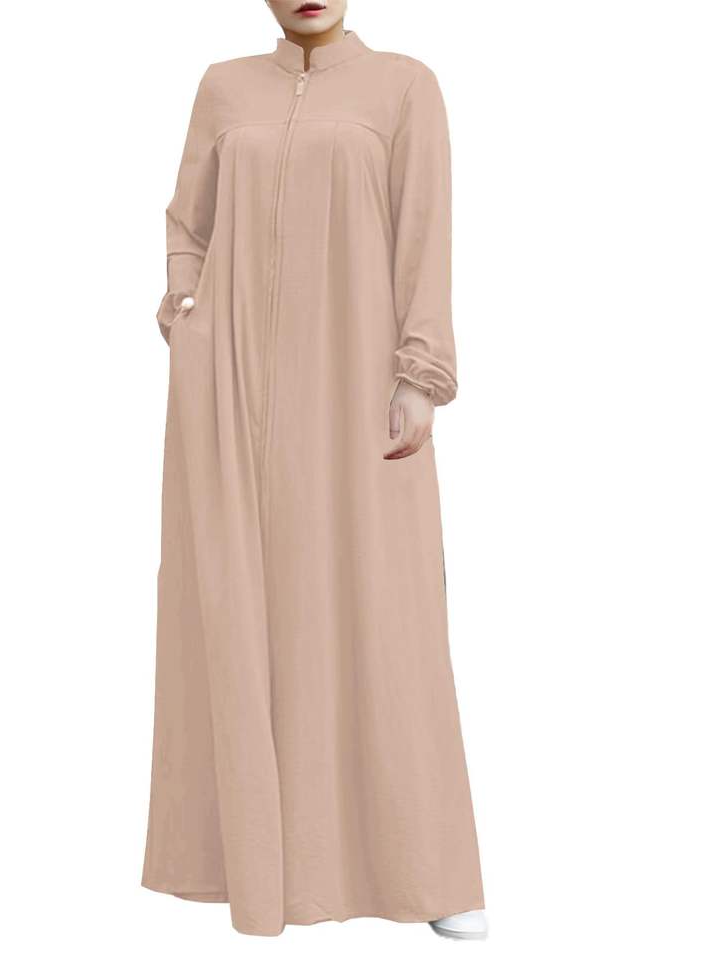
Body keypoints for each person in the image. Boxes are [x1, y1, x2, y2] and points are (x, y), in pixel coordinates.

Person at [141, 1, 487, 940]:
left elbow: (423, 234)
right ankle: (246, 867)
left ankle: (428, 870)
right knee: (236, 608)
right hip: (227, 391)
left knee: (382, 612)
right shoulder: (223, 88)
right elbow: (187, 222)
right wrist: (185, 312)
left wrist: (421, 374)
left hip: (354, 383)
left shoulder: (404, 87)